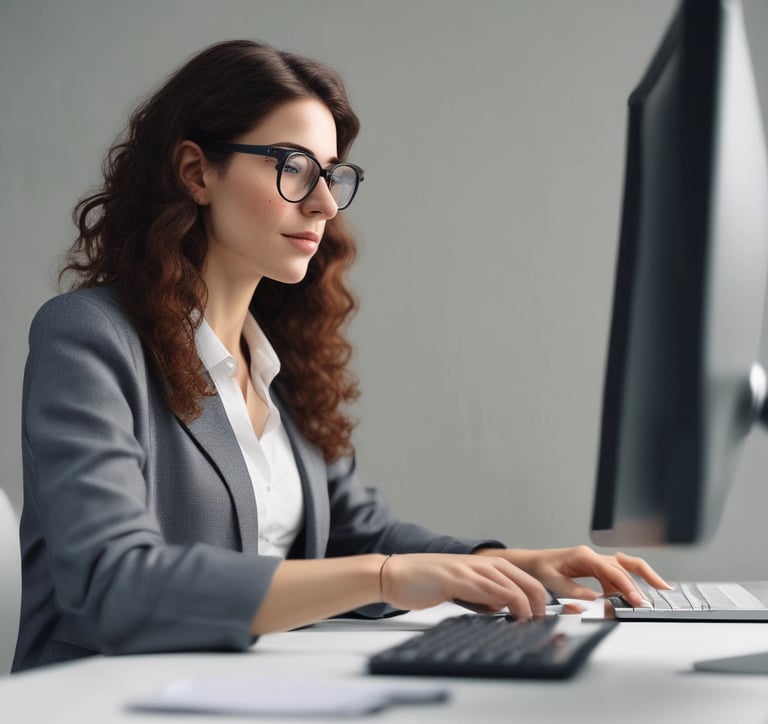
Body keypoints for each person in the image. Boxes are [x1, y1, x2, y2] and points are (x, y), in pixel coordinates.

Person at [12, 39, 668, 673]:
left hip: (253, 691)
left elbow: (360, 535)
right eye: (293, 167)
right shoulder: (90, 337)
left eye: (329, 174)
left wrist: (516, 565)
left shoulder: (278, 363)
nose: (325, 203)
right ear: (196, 172)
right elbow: (113, 583)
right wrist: (383, 577)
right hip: (104, 697)